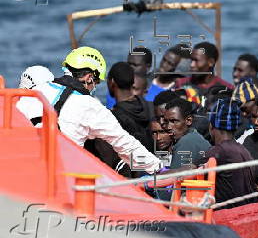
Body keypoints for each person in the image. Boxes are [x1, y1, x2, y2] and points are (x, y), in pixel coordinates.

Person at [17, 47, 161, 173]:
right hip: (59, 173)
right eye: (96, 82)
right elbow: (125, 144)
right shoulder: (91, 106)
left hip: (21, 161)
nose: (95, 87)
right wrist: (157, 168)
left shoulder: (36, 90)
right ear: (89, 78)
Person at [194, 98, 256, 209]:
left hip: (225, 217)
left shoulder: (219, 151)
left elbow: (190, 170)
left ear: (211, 127)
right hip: (244, 214)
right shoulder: (244, 151)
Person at [162, 98, 211, 169]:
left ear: (188, 120)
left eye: (174, 121)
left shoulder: (186, 142)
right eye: (166, 121)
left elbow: (173, 177)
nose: (168, 127)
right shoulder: (194, 137)